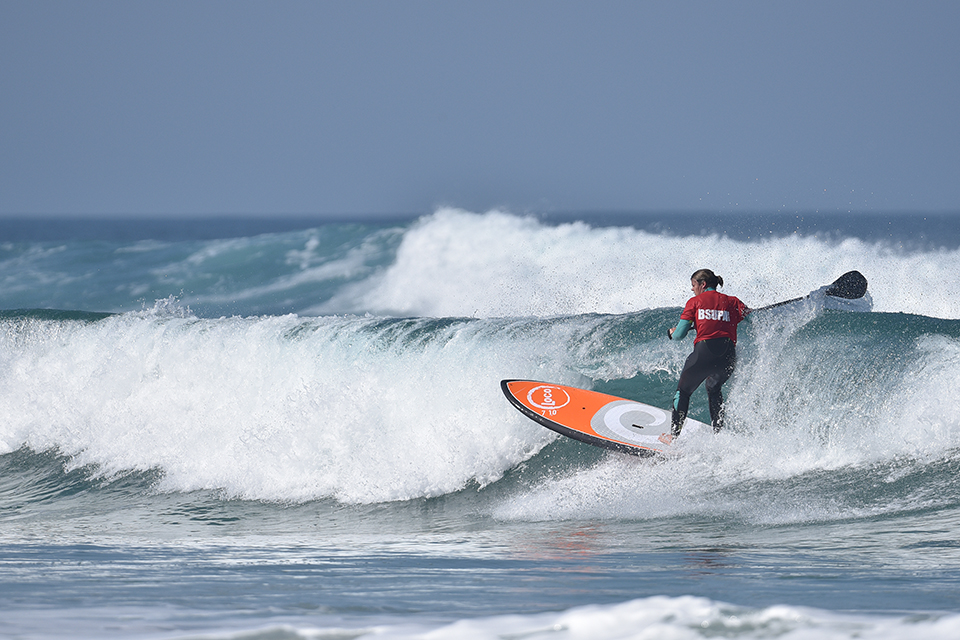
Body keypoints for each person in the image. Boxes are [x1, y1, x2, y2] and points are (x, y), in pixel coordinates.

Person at [659, 269, 750, 445]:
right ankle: (719, 436)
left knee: (683, 392)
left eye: (693, 285)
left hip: (705, 353)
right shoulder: (733, 301)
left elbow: (679, 335)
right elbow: (747, 315)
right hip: (728, 356)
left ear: (702, 284)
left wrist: (672, 332)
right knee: (714, 387)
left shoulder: (695, 302)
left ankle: (673, 437)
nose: (692, 290)